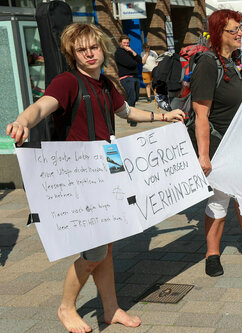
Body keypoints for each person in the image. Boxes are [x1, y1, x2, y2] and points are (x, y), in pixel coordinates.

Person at [5, 23, 185, 333]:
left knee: (108, 245)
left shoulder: (105, 84)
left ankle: (111, 309)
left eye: (94, 47)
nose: (89, 53)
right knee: (95, 251)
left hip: (110, 166)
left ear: (102, 48)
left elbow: (127, 112)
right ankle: (66, 307)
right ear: (71, 54)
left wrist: (163, 116)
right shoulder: (66, 82)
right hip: (80, 174)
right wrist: (22, 122)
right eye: (81, 49)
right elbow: (41, 107)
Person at [190, 9, 242, 277]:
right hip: (219, 144)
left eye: (240, 28)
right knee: (219, 200)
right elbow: (201, 113)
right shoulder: (207, 63)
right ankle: (212, 254)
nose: (240, 33)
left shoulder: (238, 61)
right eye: (233, 30)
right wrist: (204, 155)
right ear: (218, 34)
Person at [115, 35, 142, 126]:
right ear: (120, 43)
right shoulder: (119, 52)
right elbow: (130, 64)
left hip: (135, 77)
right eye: (124, 43)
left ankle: (130, 115)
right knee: (132, 97)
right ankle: (132, 118)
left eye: (127, 43)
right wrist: (135, 62)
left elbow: (139, 60)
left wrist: (132, 51)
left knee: (135, 98)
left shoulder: (129, 52)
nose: (126, 44)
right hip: (126, 78)